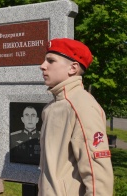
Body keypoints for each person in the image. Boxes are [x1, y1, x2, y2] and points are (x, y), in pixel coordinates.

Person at [38, 38, 113, 195]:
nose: (42, 66)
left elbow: (97, 174)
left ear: (73, 68)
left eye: (50, 61)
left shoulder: (82, 106)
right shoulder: (52, 107)